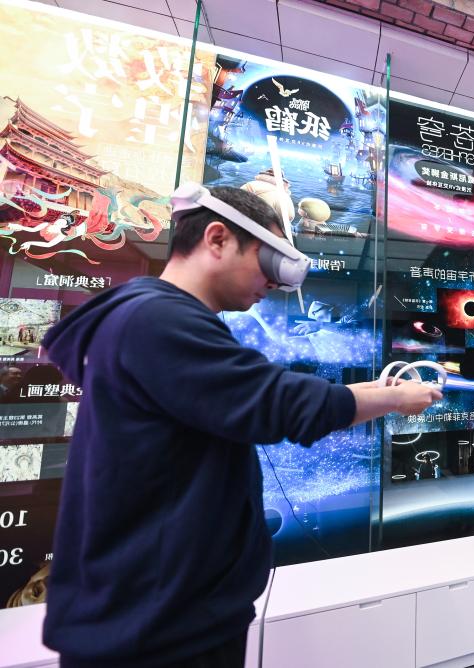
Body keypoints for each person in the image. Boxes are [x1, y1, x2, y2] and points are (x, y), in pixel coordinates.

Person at [40, 185, 442, 668]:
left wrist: (379, 392)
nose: (273, 282)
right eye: (266, 261)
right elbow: (279, 404)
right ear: (217, 239)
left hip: (166, 615)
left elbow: (259, 393)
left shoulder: (152, 317)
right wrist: (396, 398)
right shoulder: (156, 320)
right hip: (156, 631)